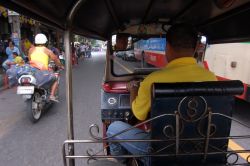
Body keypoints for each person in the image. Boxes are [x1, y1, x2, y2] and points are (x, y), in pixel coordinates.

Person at [106, 23, 217, 165]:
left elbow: (139, 114)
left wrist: (133, 89)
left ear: (167, 48)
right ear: (195, 48)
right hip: (200, 151)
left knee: (113, 128)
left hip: (160, 153)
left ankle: (122, 162)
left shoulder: (153, 80)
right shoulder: (210, 77)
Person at [28, 33, 64, 102]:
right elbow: (56, 60)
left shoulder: (30, 50)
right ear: (45, 41)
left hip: (32, 72)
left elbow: (30, 60)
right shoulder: (47, 51)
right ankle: (52, 95)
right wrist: (61, 65)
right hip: (43, 72)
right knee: (55, 78)